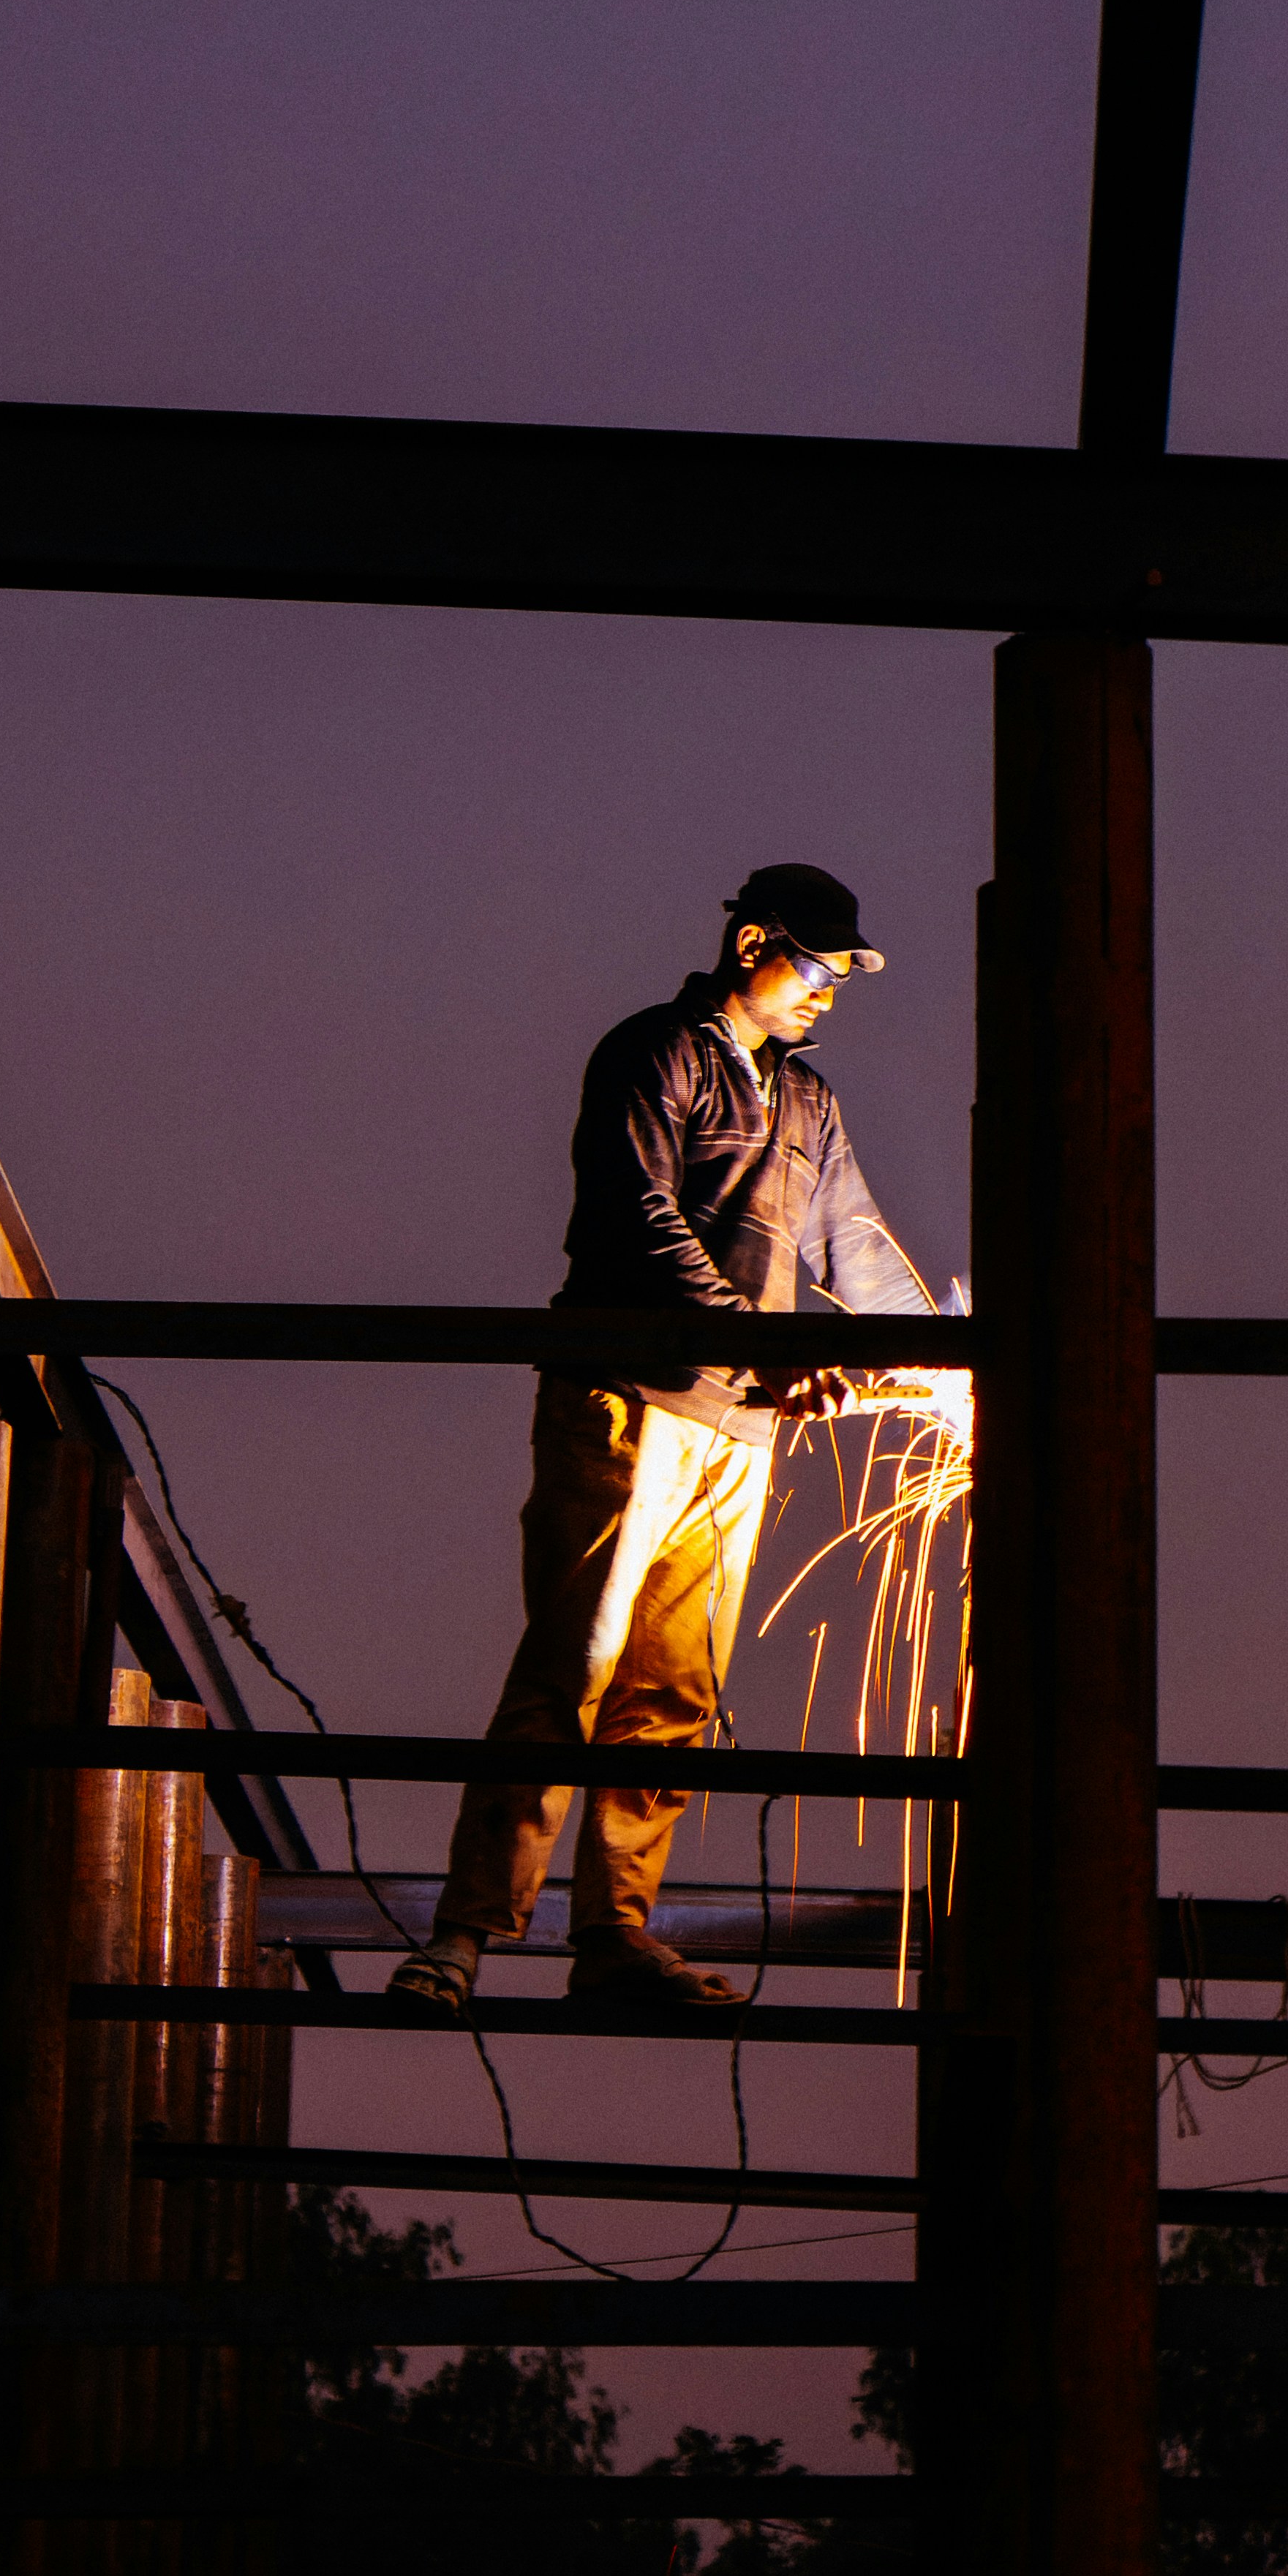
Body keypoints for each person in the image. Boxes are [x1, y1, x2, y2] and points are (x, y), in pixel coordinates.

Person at [388, 864, 936, 2016]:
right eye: (817, 969)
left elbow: (857, 1248)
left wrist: (950, 1362)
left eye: (844, 978)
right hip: (627, 1404)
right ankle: (465, 1938)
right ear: (753, 945)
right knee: (570, 1673)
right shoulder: (654, 1055)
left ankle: (615, 1938)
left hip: (738, 1433)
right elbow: (643, 1225)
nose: (830, 996)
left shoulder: (810, 1104)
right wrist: (767, 1346)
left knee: (674, 1697)